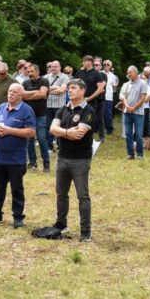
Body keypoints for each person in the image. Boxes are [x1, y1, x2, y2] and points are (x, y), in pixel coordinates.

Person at [48, 79, 96, 241]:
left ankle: (85, 231)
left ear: (83, 90)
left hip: (80, 159)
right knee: (61, 193)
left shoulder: (88, 110)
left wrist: (61, 131)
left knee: (82, 196)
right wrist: (68, 132)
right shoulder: (63, 109)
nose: (70, 90)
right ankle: (61, 224)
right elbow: (52, 129)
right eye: (69, 88)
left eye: (74, 88)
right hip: (62, 157)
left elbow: (79, 134)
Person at [0, 83, 35, 228]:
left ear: (21, 95)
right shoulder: (1, 107)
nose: (11, 94)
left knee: (17, 189)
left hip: (16, 159)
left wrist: (9, 130)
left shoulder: (26, 110)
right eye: (10, 91)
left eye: (15, 92)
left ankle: (18, 217)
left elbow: (31, 132)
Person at [21, 63, 50, 171]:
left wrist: (28, 95)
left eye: (32, 71)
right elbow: (22, 95)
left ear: (38, 72)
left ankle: (46, 162)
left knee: (42, 139)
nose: (30, 74)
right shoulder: (25, 82)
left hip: (40, 115)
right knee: (29, 140)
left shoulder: (44, 81)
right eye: (28, 72)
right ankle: (32, 163)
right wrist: (36, 93)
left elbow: (43, 94)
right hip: (28, 116)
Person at [120, 66, 147, 160]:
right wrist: (127, 106)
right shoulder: (126, 84)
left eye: (130, 72)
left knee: (139, 135)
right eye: (128, 72)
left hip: (138, 113)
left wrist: (134, 107)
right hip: (127, 112)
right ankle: (130, 154)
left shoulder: (143, 83)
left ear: (135, 72)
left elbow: (143, 98)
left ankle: (140, 154)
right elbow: (123, 97)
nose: (128, 74)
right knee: (128, 134)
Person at [45, 61, 69, 151]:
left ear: (60, 67)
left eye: (55, 66)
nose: (53, 68)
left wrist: (49, 90)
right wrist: (55, 87)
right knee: (48, 125)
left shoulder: (64, 77)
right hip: (48, 105)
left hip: (60, 106)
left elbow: (62, 90)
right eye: (52, 66)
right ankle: (49, 146)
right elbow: (43, 90)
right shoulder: (46, 77)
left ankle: (60, 146)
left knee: (60, 126)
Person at [103, 60, 119, 136]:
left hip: (109, 96)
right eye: (104, 64)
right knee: (99, 113)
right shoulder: (100, 73)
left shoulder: (113, 76)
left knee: (108, 113)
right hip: (100, 96)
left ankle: (109, 129)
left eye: (108, 64)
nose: (106, 65)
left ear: (110, 66)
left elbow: (114, 86)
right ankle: (99, 128)